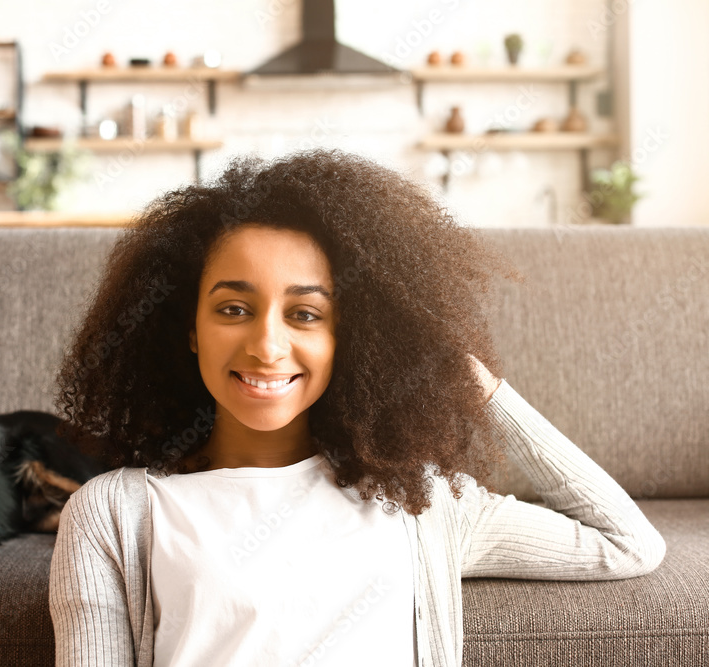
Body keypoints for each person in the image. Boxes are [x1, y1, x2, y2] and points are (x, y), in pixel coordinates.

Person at [48, 149, 666, 667]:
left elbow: (626, 542)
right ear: (188, 328)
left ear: (355, 338)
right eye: (234, 308)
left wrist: (472, 380)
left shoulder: (421, 501)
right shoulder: (113, 513)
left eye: (306, 314)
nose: (266, 345)